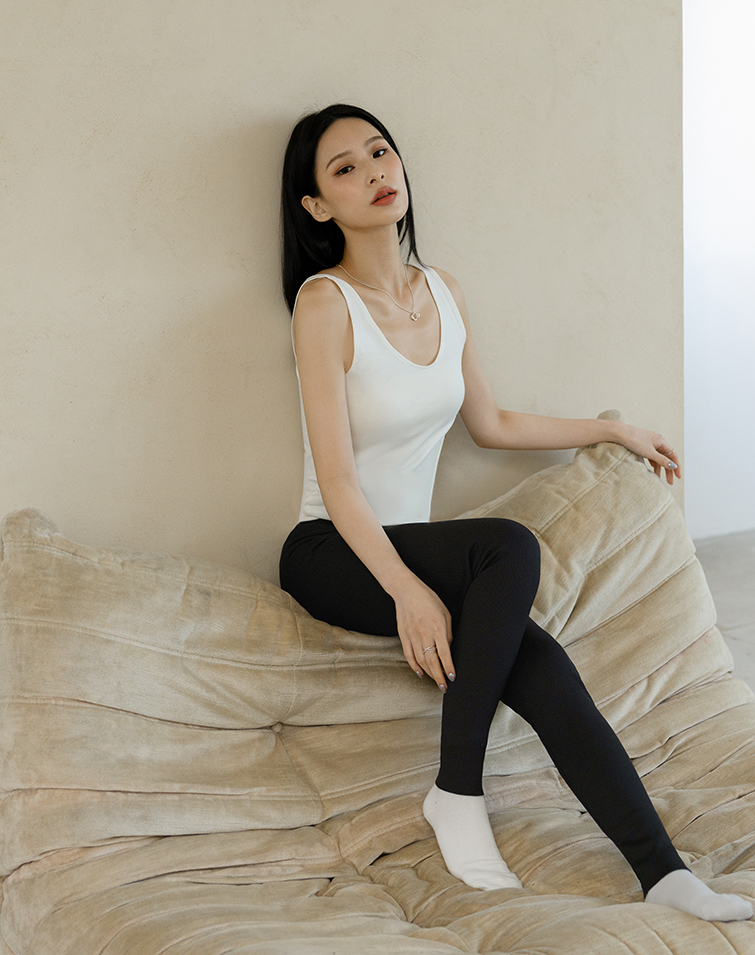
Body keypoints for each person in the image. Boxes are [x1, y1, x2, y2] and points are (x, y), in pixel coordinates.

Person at [277, 103, 752, 922]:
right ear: (317, 206)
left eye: (380, 152)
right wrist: (407, 590)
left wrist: (609, 428)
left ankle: (665, 874)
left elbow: (490, 423)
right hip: (329, 549)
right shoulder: (323, 304)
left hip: (407, 546)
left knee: (544, 665)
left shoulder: (442, 291)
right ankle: (456, 789)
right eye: (344, 168)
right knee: (508, 547)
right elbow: (339, 480)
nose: (375, 172)